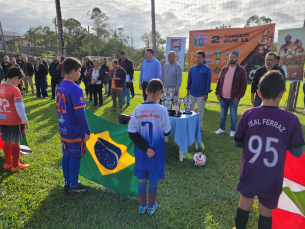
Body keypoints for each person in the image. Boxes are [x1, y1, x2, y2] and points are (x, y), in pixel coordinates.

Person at [233, 70, 304, 229]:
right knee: (266, 211)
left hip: (250, 171)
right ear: (282, 93)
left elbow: (237, 143)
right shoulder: (291, 120)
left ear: (258, 92)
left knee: (245, 202)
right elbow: (297, 152)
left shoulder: (248, 114)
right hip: (272, 176)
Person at [128, 79, 171, 215]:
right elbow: (167, 131)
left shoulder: (137, 109)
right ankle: (151, 206)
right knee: (153, 179)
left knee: (142, 179)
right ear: (160, 92)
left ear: (146, 91)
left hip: (142, 152)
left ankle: (142, 206)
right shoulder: (162, 110)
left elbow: (132, 133)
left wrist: (145, 148)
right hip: (156, 152)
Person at [56, 57, 91, 195]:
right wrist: (87, 131)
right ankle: (74, 186)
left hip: (63, 126)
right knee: (75, 156)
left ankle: (67, 182)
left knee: (67, 154)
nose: (80, 74)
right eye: (79, 71)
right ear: (72, 71)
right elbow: (81, 114)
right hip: (74, 129)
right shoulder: (76, 89)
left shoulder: (60, 85)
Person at [0, 66, 30, 172]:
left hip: (1, 120)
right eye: (20, 80)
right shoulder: (14, 90)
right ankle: (15, 165)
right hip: (13, 120)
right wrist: (25, 120)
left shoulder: (0, 87)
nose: (19, 83)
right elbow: (20, 107)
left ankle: (7, 163)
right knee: (15, 141)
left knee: (6, 140)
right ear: (16, 78)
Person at [215, 52, 247, 137]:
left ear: (237, 58)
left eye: (233, 57)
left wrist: (238, 96)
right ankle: (221, 128)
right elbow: (219, 81)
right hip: (223, 97)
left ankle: (232, 130)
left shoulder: (241, 70)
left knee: (233, 114)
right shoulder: (224, 69)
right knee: (223, 113)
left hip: (234, 98)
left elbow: (244, 85)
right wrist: (217, 92)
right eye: (230, 57)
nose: (231, 59)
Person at [186, 50, 212, 132]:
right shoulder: (192, 68)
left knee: (200, 112)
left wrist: (206, 94)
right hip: (192, 93)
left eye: (200, 57)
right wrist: (188, 91)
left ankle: (199, 127)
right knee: (191, 110)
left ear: (203, 58)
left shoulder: (207, 69)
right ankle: (191, 125)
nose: (198, 58)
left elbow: (208, 82)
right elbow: (189, 80)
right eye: (197, 57)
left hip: (201, 94)